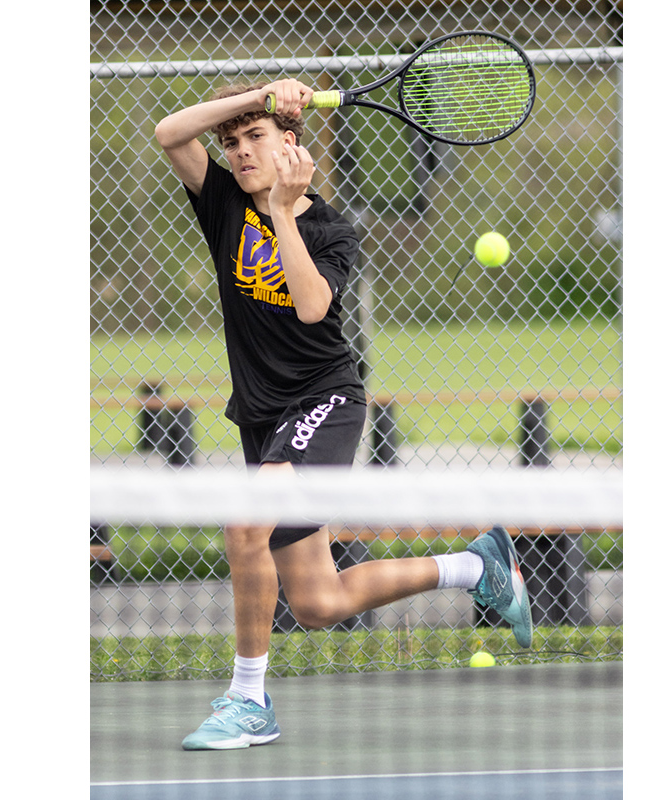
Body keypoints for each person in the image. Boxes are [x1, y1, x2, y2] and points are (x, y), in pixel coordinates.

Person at [153, 78, 533, 751]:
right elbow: (170, 132)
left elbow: (309, 306)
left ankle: (248, 699)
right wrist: (265, 97)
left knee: (247, 522)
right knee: (318, 604)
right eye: (233, 143)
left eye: (256, 137)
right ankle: (478, 567)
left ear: (291, 144)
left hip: (324, 401)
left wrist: (279, 210)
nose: (241, 152)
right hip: (261, 418)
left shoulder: (330, 228)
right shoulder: (219, 203)